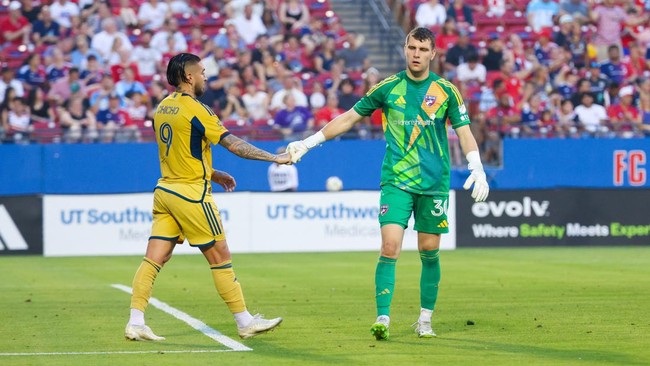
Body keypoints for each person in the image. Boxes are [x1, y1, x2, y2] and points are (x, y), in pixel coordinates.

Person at [286, 27, 489, 340]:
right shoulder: (388, 88)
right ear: (405, 49)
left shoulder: (446, 90)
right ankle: (383, 317)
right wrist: (309, 142)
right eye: (412, 48)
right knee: (390, 246)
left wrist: (476, 166)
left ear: (433, 54)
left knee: (429, 249)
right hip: (396, 180)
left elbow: (463, 131)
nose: (416, 54)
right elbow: (350, 117)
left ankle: (424, 319)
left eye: (423, 49)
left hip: (434, 183)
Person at [124, 53, 288, 342]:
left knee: (154, 258)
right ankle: (244, 321)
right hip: (191, 194)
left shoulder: (162, 107)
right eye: (201, 72)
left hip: (165, 192)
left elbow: (182, 152)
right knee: (220, 256)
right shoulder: (197, 109)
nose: (205, 77)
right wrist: (274, 157)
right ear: (188, 77)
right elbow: (234, 144)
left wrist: (213, 172)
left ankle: (136, 322)